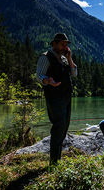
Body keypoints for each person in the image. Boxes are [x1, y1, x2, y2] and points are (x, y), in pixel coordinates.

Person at [36, 33, 77, 165]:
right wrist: (48, 80)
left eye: (66, 44)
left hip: (66, 96)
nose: (65, 46)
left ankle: (56, 160)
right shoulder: (45, 57)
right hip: (54, 97)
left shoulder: (65, 58)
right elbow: (38, 75)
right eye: (62, 44)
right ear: (54, 43)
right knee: (58, 126)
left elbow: (74, 73)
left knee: (64, 127)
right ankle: (54, 162)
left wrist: (70, 58)